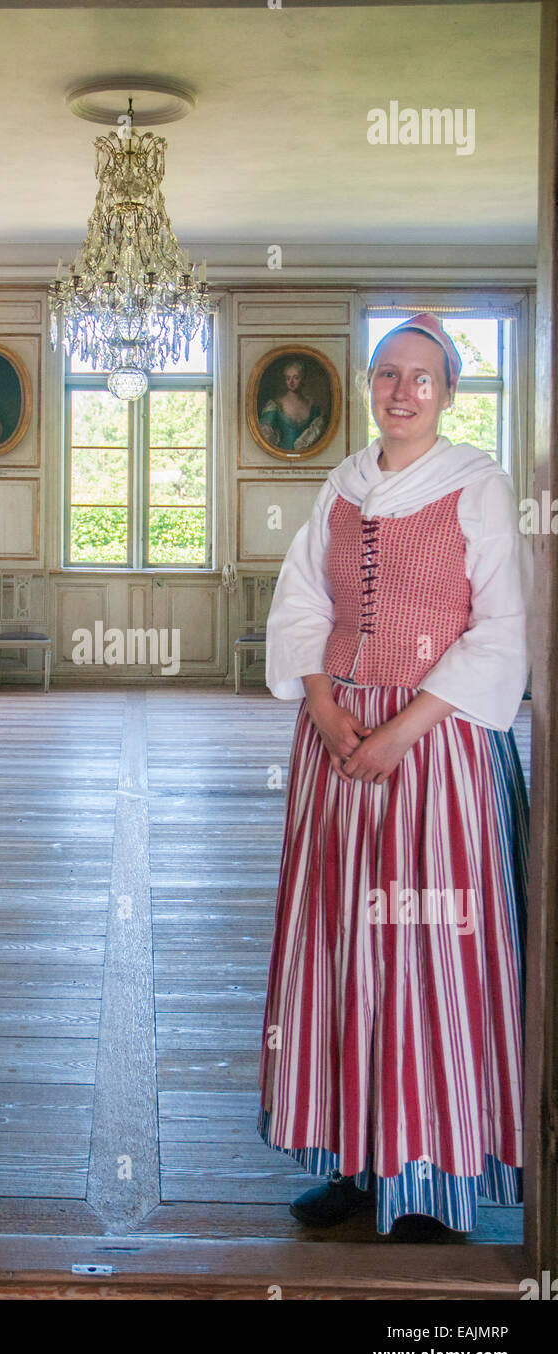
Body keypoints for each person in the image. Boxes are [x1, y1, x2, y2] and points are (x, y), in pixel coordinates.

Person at [258, 314, 531, 1239]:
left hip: (434, 754)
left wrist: (398, 730)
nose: (401, 391)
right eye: (386, 374)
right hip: (335, 749)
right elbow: (299, 606)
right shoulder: (338, 489)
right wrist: (330, 713)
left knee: (427, 952)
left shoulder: (477, 488)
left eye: (421, 377)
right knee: (339, 949)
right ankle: (352, 1159)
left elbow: (498, 631)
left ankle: (429, 1179)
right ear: (368, 386)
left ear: (449, 394)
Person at [259, 358, 325, 453]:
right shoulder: (275, 404)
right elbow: (264, 432)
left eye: (296, 377)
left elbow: (318, 432)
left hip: (307, 457)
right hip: (280, 457)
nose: (291, 382)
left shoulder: (312, 406)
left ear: (303, 379)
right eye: (288, 378)